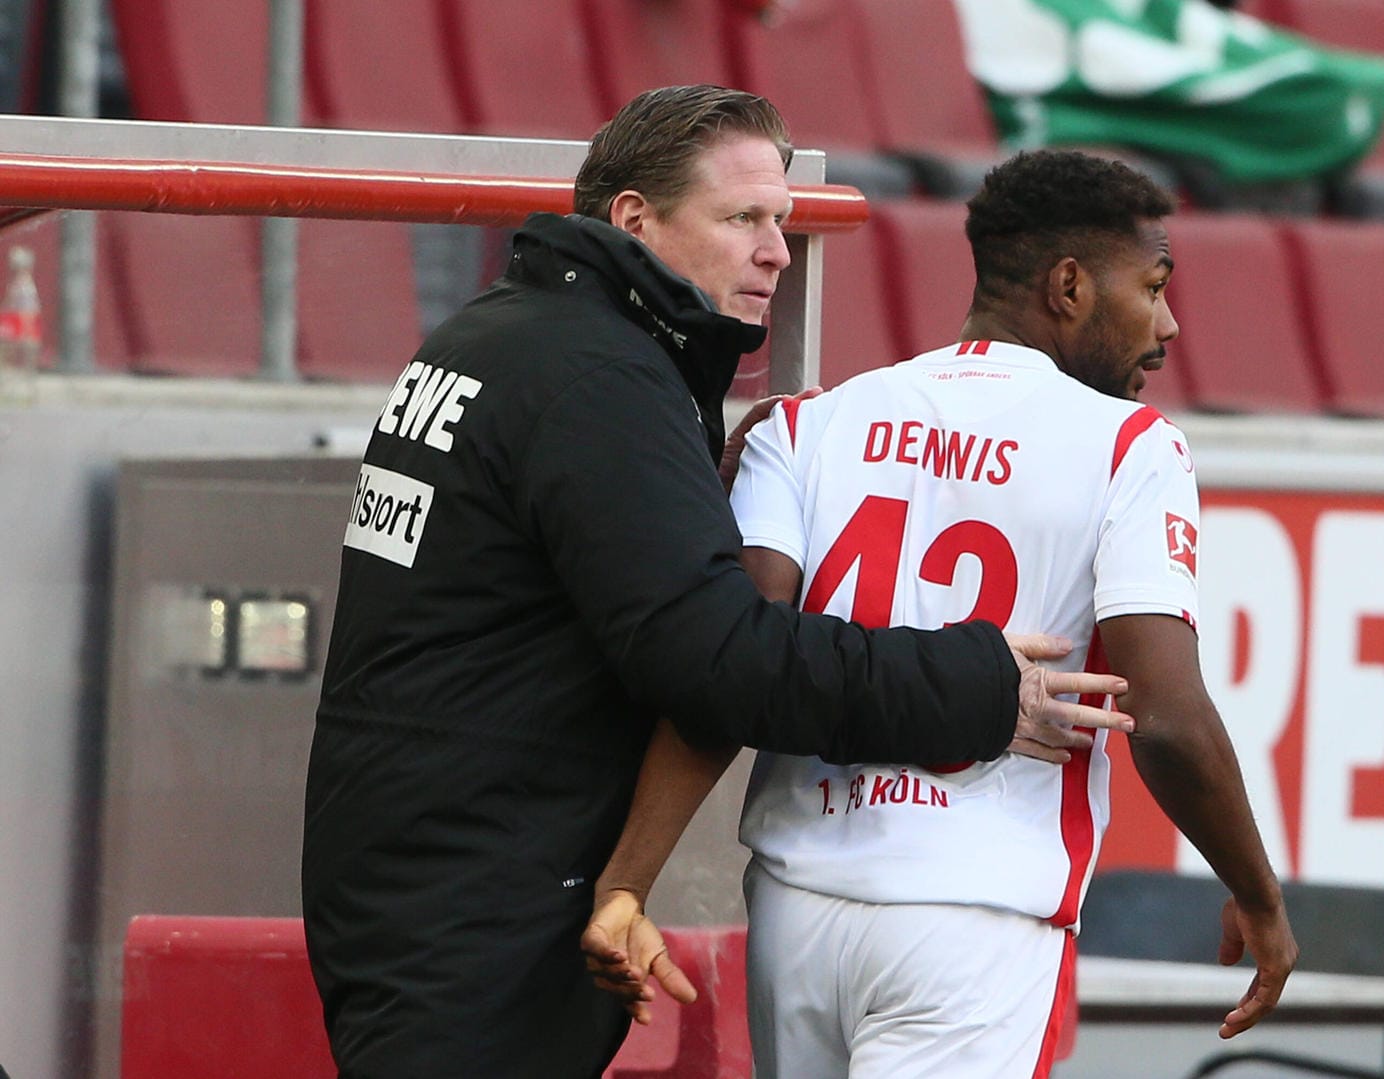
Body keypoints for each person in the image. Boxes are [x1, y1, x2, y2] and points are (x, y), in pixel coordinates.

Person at [301, 86, 1130, 1079]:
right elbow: (716, 659)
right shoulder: (598, 379)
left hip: (413, 867)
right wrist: (978, 684)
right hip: (474, 899)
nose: (777, 250)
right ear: (635, 221)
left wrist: (682, 492)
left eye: (781, 219)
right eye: (743, 218)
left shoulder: (491, 337)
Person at [583, 149, 1298, 1078]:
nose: (1166, 323)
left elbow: (728, 675)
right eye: (1152, 286)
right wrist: (1258, 894)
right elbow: (1163, 716)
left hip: (798, 910)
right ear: (1070, 286)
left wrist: (627, 878)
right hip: (975, 921)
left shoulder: (809, 424)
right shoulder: (1132, 446)